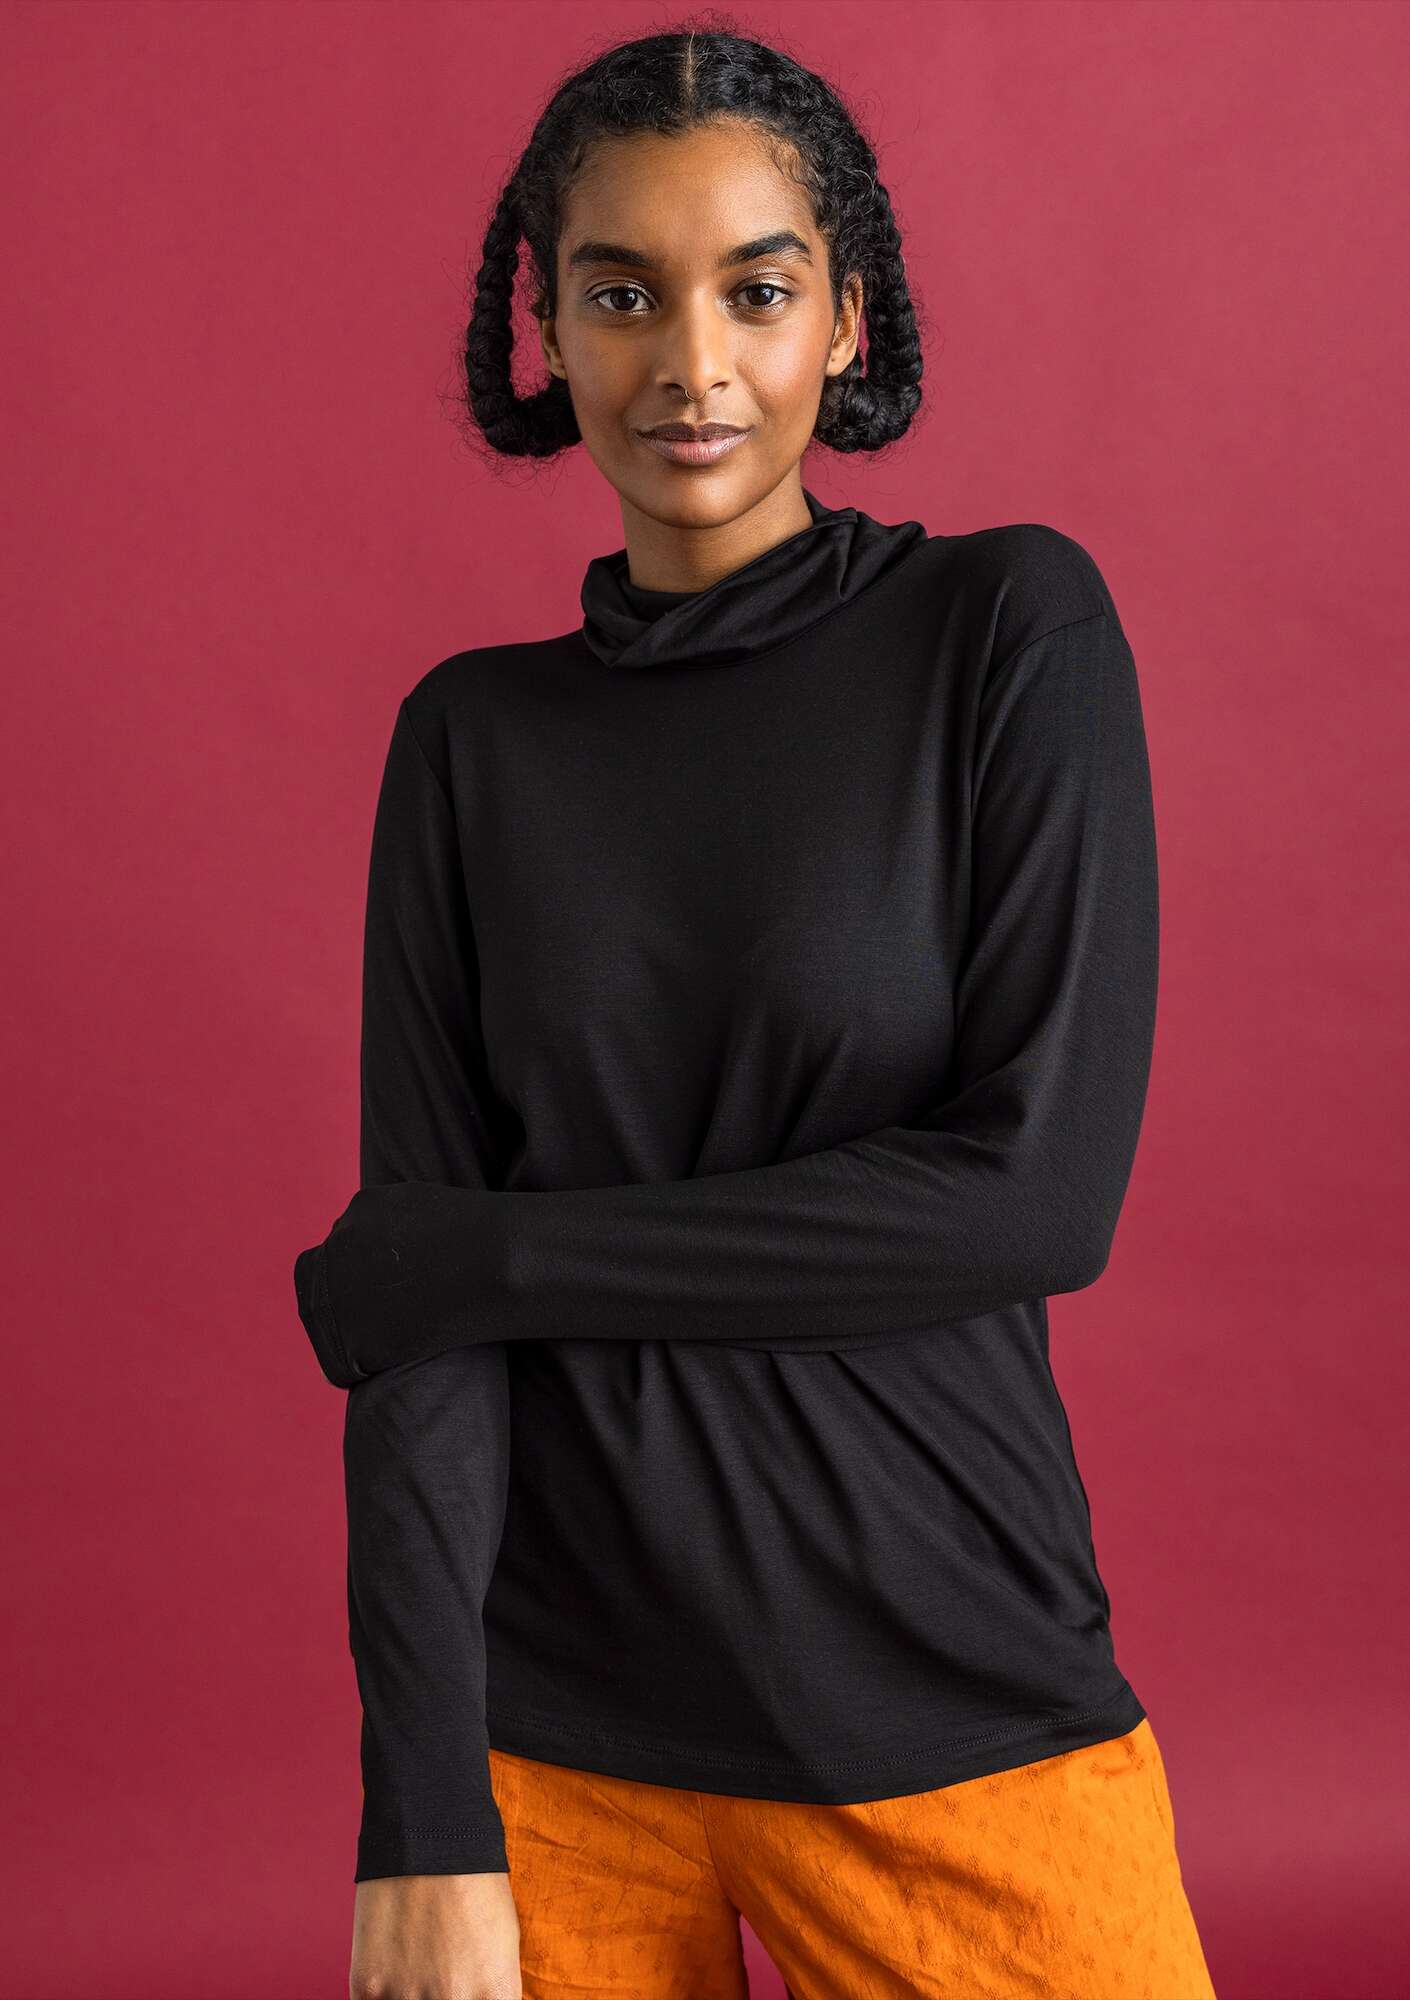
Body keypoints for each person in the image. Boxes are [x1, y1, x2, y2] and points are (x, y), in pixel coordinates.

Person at [294, 24, 1219, 2000]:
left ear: (845, 316)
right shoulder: (471, 742)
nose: (690, 364)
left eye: (757, 290)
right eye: (622, 294)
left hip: (942, 1702)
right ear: (549, 327)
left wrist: (499, 1254)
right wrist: (422, 1816)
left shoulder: (1005, 629)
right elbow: (418, 1343)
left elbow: (1032, 1201)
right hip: (553, 1748)